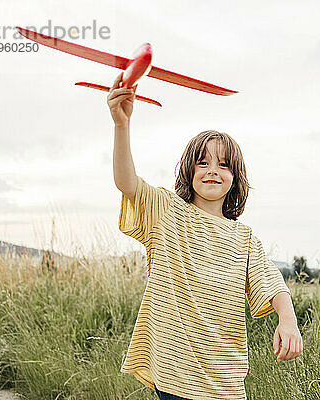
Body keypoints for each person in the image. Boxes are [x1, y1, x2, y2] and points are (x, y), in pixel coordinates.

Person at [108, 72, 303, 400]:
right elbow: (127, 182)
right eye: (203, 163)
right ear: (189, 171)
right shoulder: (167, 210)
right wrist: (121, 125)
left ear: (235, 179)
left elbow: (273, 285)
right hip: (175, 368)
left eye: (224, 165)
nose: (213, 170)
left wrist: (289, 321)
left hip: (224, 375)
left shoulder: (244, 238)